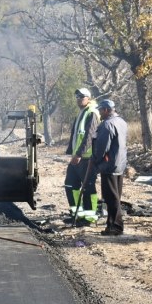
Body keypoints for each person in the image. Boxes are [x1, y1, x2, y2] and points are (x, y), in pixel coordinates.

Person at [91, 99, 128, 236]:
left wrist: (95, 160)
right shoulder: (122, 122)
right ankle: (113, 225)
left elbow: (102, 147)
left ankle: (115, 227)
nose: (99, 113)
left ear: (106, 110)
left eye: (100, 110)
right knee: (116, 196)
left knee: (111, 196)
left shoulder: (107, 125)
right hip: (120, 164)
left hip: (109, 165)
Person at [64, 87, 100, 224]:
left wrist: (79, 154)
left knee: (88, 187)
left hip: (86, 158)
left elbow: (89, 136)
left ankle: (90, 218)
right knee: (70, 185)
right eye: (77, 96)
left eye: (82, 96)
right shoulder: (82, 112)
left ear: (88, 98)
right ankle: (77, 214)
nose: (79, 99)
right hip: (77, 157)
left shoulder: (92, 113)